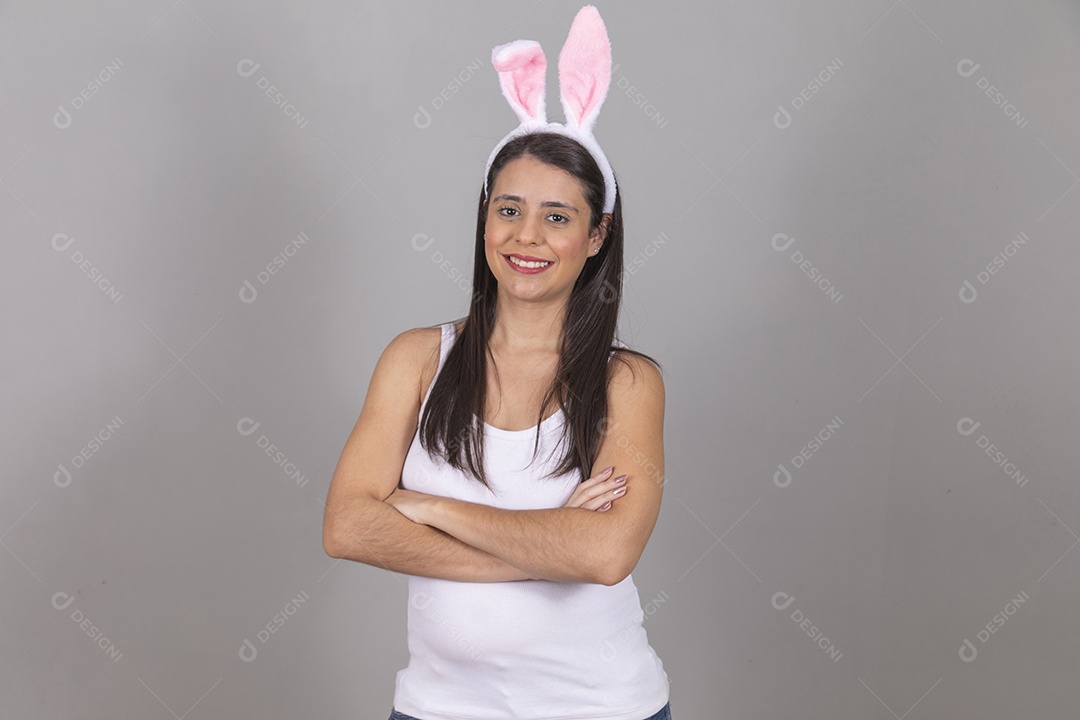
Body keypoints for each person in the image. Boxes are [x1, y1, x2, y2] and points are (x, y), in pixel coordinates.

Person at [322, 7, 671, 719]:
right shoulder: (416, 359)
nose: (527, 237)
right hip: (436, 709)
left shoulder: (627, 382)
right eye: (508, 209)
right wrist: (546, 547)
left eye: (558, 216)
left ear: (598, 234)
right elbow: (348, 527)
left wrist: (427, 508)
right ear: (484, 217)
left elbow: (605, 556)